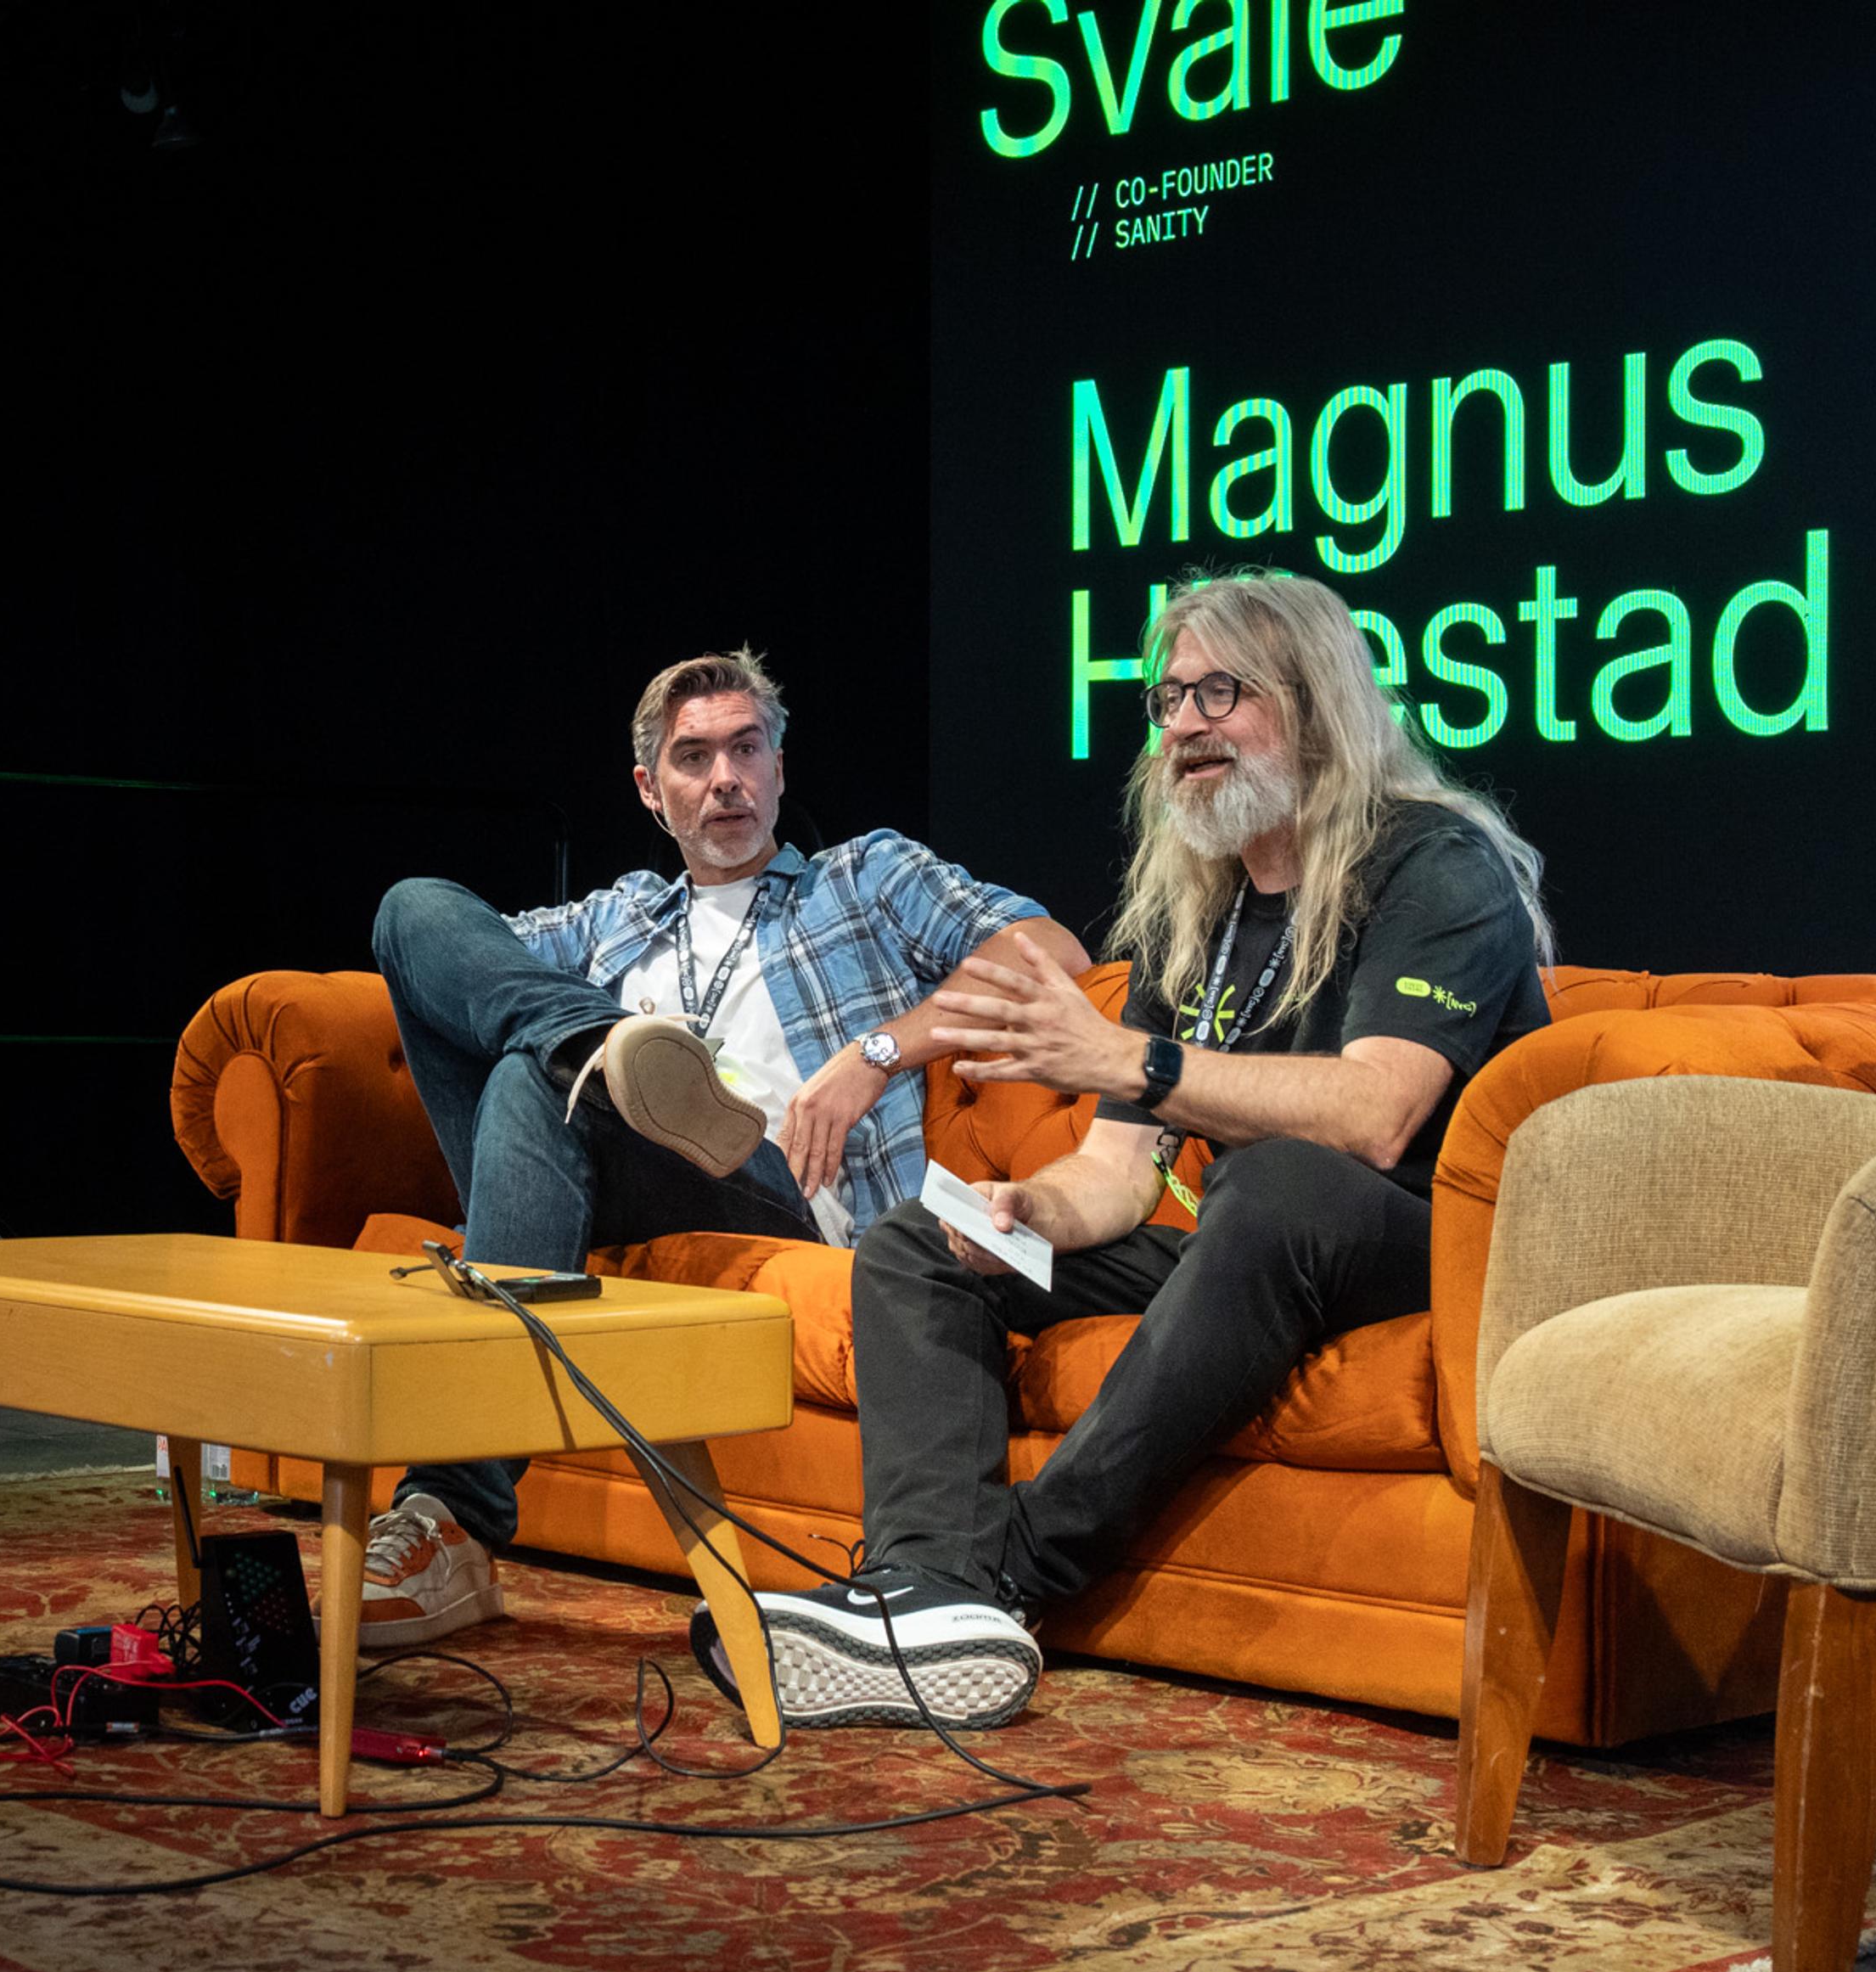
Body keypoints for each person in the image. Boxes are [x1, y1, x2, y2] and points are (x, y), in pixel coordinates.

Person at [722, 573, 1556, 1728]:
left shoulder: (1432, 862)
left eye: (1223, 693)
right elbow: (1118, 1169)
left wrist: (1134, 1059)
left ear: (1316, 703)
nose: (1185, 725)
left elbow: (1379, 1114)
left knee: (1278, 1178)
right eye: (1170, 699)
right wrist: (1031, 1210)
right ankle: (926, 1589)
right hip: (1255, 1251)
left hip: (1432, 1250)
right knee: (923, 1239)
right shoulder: (1196, 906)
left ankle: (1009, 1573)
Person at [357, 647, 1089, 1649]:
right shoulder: (618, 918)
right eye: (694, 758)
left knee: (534, 1079)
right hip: (620, 1181)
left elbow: (1051, 952)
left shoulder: (862, 879)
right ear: (649, 789)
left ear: (780, 768)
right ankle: (602, 1048)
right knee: (414, 911)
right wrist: (576, 1038)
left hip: (787, 1199)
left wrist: (878, 1052)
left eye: (747, 750)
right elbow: (440, 951)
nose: (726, 779)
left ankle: (452, 1513)